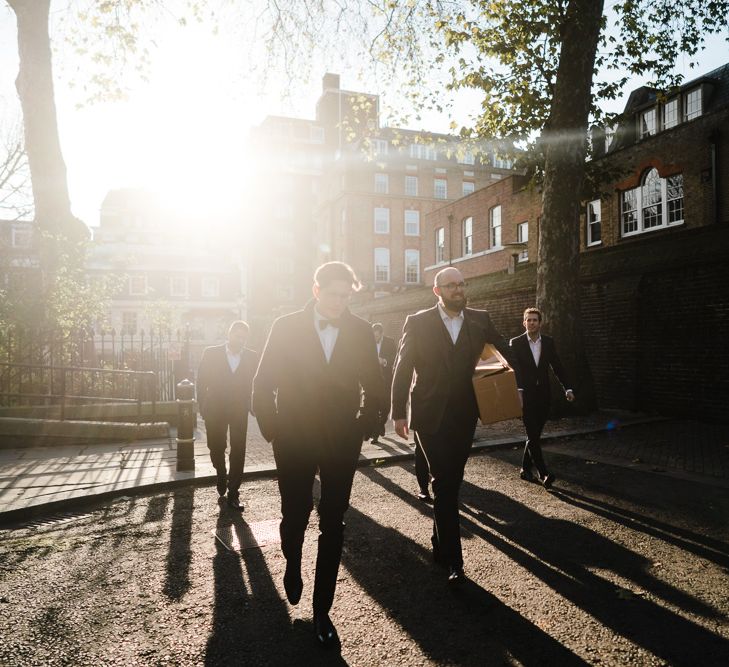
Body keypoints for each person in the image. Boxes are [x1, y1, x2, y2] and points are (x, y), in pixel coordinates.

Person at [252, 261, 382, 649]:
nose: (341, 302)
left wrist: (369, 420)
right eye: (334, 294)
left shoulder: (359, 330)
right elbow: (262, 383)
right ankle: (292, 559)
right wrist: (273, 428)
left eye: (346, 296)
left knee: (334, 520)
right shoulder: (285, 326)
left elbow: (374, 382)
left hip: (342, 438)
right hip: (293, 437)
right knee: (295, 514)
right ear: (316, 290)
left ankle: (322, 610)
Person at [391, 266, 517, 583]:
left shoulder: (479, 319)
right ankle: (455, 562)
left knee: (451, 481)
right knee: (444, 481)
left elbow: (502, 353)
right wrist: (398, 412)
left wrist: (520, 379)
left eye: (462, 284)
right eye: (451, 286)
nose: (459, 290)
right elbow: (402, 368)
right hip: (428, 415)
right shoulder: (417, 322)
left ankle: (438, 541)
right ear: (437, 291)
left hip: (464, 415)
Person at [196, 320, 259, 511]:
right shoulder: (211, 353)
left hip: (239, 410)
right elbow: (201, 381)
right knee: (216, 448)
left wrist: (253, 404)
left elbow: (255, 384)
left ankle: (233, 493)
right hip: (215, 409)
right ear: (229, 334)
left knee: (238, 450)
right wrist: (202, 407)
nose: (240, 340)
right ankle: (221, 473)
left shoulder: (252, 356)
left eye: (243, 337)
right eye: (237, 335)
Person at [510, 307, 575, 489]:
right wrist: (519, 391)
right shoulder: (515, 343)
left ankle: (524, 469)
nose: (531, 323)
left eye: (534, 320)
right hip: (525, 396)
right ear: (524, 322)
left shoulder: (548, 342)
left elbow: (557, 366)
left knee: (534, 435)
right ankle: (544, 473)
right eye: (528, 320)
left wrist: (567, 388)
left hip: (544, 396)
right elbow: (514, 370)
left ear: (540, 323)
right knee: (533, 434)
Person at [370, 323, 396, 444]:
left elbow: (395, 357)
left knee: (386, 407)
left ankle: (381, 424)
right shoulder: (368, 342)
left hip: (387, 379)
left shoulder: (390, 342)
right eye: (373, 336)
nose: (374, 338)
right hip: (373, 380)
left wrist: (384, 361)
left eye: (376, 336)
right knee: (374, 407)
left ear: (381, 334)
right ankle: (375, 434)